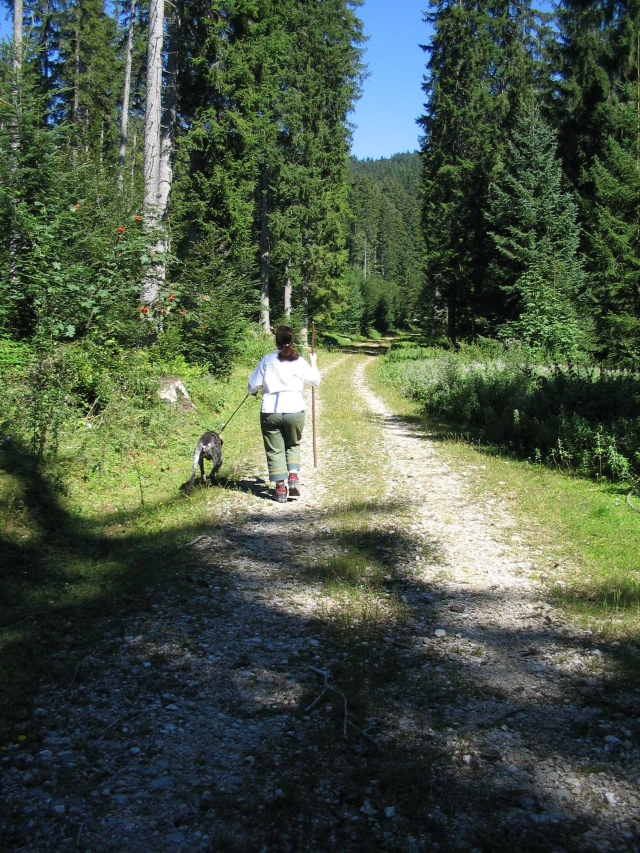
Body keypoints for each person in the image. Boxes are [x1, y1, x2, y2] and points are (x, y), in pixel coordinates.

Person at [248, 326, 320, 503]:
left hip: (270, 411)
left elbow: (253, 385)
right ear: (292, 340)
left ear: (276, 341)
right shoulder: (299, 361)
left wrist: (254, 391)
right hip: (294, 409)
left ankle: (280, 489)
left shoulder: (267, 360)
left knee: (275, 449)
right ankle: (293, 476)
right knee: (293, 443)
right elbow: (315, 380)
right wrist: (314, 362)